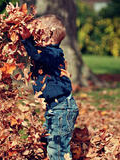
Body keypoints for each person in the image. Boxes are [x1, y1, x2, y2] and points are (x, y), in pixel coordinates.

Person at [21, 14, 79, 160]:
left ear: (50, 36)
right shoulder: (48, 53)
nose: (35, 37)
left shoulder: (53, 53)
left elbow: (37, 55)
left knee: (57, 149)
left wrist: (27, 40)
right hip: (55, 108)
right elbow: (36, 53)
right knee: (48, 140)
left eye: (38, 33)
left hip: (62, 109)